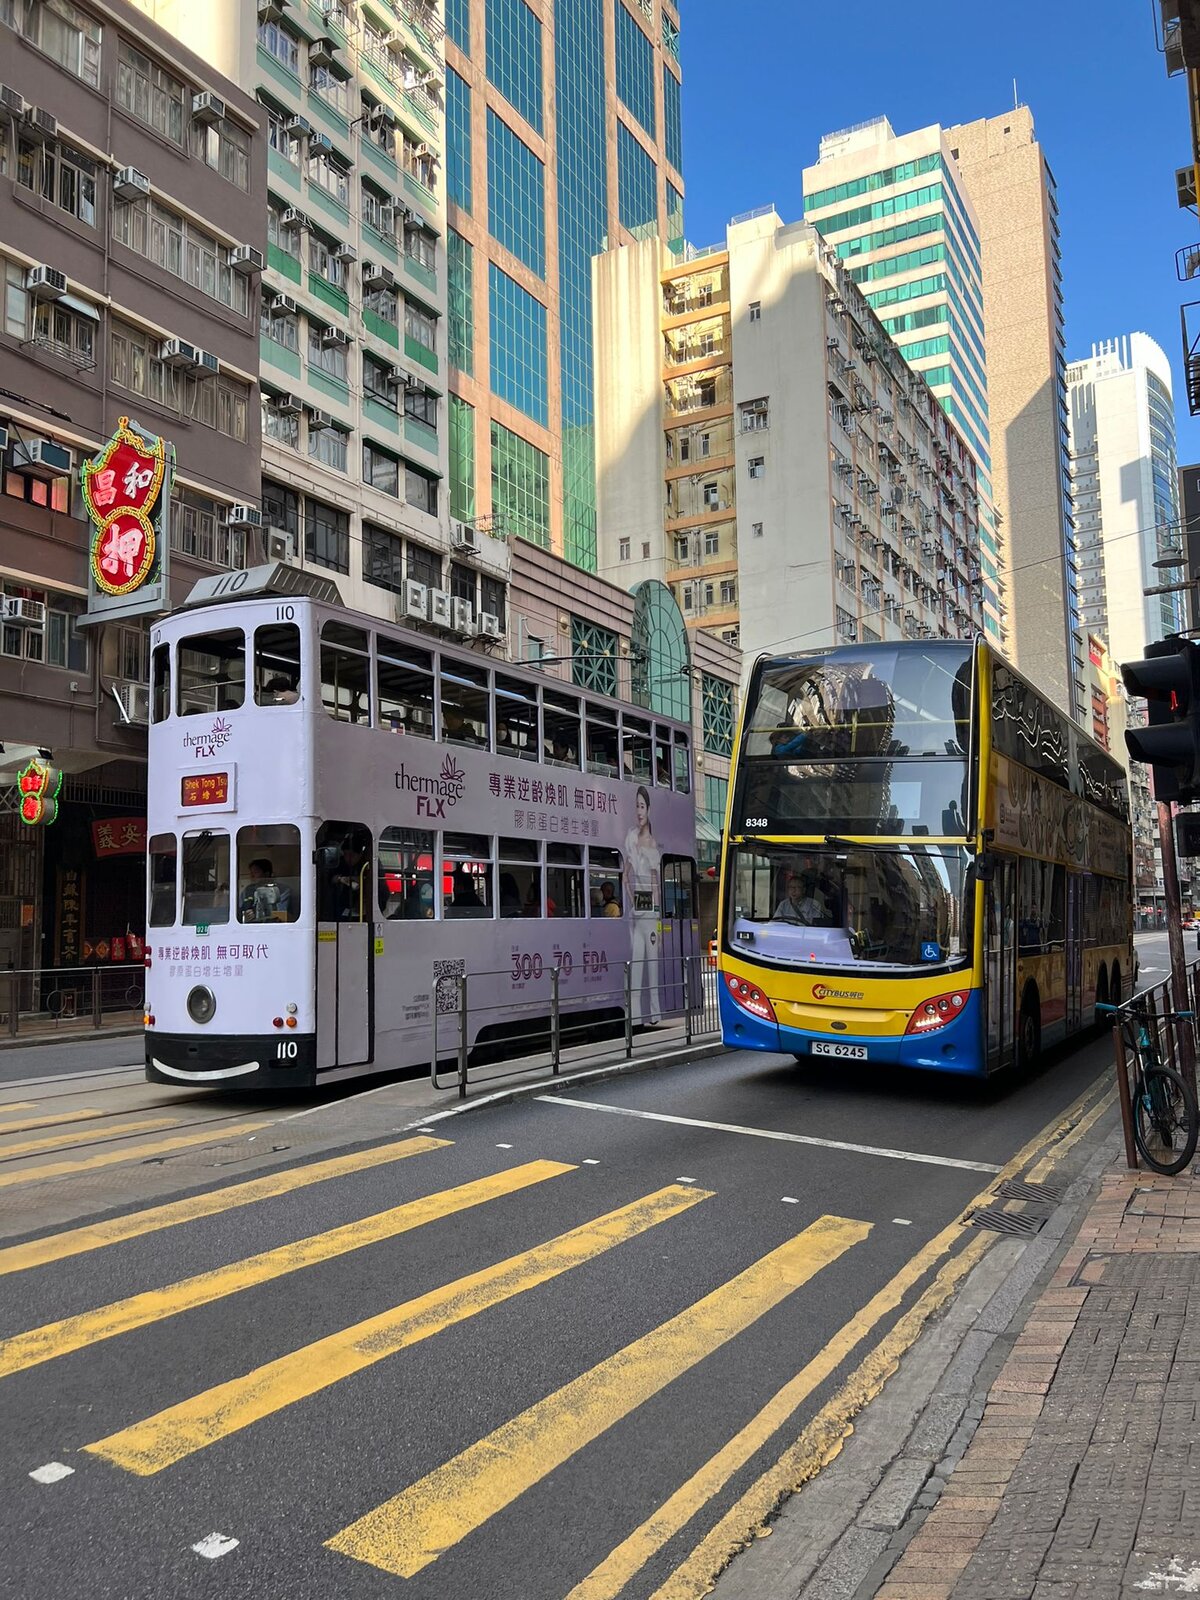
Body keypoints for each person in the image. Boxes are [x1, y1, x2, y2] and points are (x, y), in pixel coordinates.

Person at [623, 785, 662, 1026]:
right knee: (636, 964)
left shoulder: (652, 843)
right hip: (635, 915)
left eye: (642, 806)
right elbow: (625, 876)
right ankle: (635, 1016)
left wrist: (656, 914)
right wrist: (632, 899)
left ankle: (655, 1014)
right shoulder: (629, 839)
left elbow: (656, 885)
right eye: (636, 806)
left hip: (650, 916)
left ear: (648, 809)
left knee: (653, 966)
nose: (638, 811)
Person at [331, 837, 367, 920]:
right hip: (342, 909)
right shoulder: (341, 864)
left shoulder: (367, 865)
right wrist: (341, 879)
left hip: (361, 913)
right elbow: (331, 878)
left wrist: (359, 880)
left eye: (352, 855)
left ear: (360, 854)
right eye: (345, 854)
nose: (348, 859)